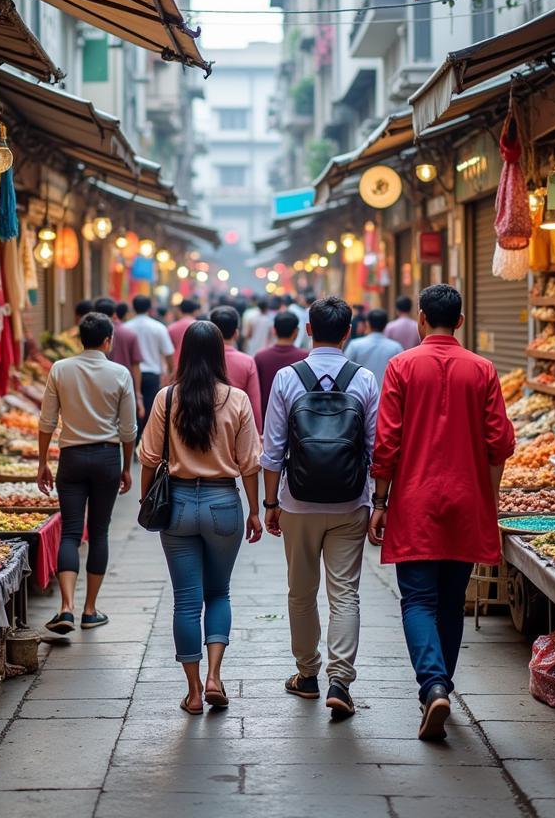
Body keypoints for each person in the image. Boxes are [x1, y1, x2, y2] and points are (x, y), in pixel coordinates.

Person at [369, 284, 515, 741]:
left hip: (414, 501)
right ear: (461, 321)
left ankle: (433, 686)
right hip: (467, 501)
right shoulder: (484, 369)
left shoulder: (401, 366)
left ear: (420, 319)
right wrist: (488, 501)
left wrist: (379, 500)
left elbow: (386, 443)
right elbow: (500, 444)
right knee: (451, 601)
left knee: (417, 600)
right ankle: (441, 686)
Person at [261, 296, 379, 719]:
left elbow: (272, 449)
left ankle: (307, 675)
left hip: (298, 501)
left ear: (308, 330)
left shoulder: (286, 378)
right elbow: (375, 448)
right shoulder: (364, 379)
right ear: (349, 331)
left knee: (301, 592)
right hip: (351, 502)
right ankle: (340, 682)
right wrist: (378, 502)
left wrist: (271, 503)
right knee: (345, 593)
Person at [138, 321, 263, 715]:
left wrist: (147, 501)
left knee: (186, 602)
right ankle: (214, 676)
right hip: (223, 503)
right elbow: (249, 464)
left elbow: (148, 458)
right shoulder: (237, 399)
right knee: (218, 592)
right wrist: (256, 510)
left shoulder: (167, 398)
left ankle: (193, 692)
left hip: (176, 506)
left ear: (184, 353)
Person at [37, 312, 137, 635]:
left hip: (72, 458)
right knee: (99, 532)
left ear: (81, 339)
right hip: (107, 458)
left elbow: (47, 422)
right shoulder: (120, 374)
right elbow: (128, 428)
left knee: (70, 532)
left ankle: (65, 607)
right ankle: (90, 609)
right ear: (108, 340)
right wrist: (126, 466)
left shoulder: (60, 369)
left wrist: (42, 463)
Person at [124, 294, 174, 433]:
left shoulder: (126, 327)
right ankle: (145, 441)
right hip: (152, 375)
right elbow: (168, 353)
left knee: (132, 409)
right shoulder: (158, 327)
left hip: (131, 374)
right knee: (149, 411)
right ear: (150, 308)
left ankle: (135, 439)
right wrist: (171, 374)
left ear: (133, 308)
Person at [209, 305, 263, 432]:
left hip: (198, 427)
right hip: (235, 428)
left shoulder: (199, 357)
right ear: (236, 333)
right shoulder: (247, 362)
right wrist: (258, 433)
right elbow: (254, 404)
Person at [93, 297, 144, 422]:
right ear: (115, 314)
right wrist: (138, 395)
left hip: (98, 388)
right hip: (123, 387)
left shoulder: (91, 334)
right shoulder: (129, 334)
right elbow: (136, 366)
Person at [254, 310, 308, 419]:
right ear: (296, 332)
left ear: (274, 330)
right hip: (299, 419)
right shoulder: (306, 357)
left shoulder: (260, 357)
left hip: (267, 417)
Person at [344, 308, 404, 387]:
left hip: (360, 395)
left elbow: (345, 370)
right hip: (386, 396)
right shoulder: (396, 347)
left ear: (367, 323)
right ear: (385, 325)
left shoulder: (355, 345)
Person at [167, 298, 198, 367]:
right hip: (195, 365)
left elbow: (168, 350)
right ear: (195, 311)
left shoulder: (172, 328)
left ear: (180, 311)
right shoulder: (199, 327)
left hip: (176, 365)